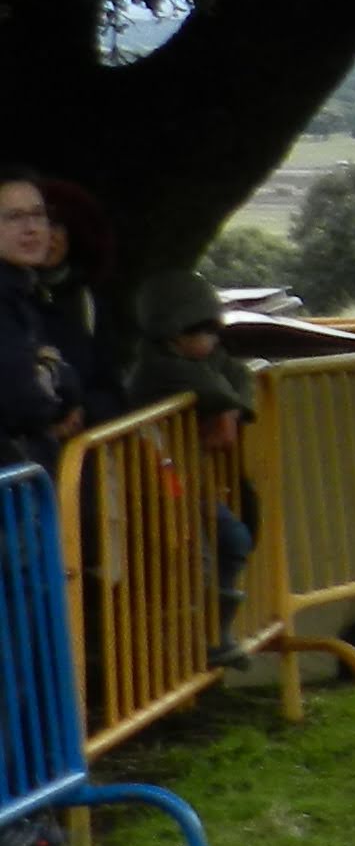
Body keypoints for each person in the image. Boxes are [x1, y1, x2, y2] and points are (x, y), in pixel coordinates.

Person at [124, 273, 258, 661]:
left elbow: (237, 376)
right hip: (156, 481)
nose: (213, 341)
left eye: (214, 331)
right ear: (173, 333)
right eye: (202, 332)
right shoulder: (157, 366)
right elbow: (213, 388)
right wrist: (230, 403)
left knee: (232, 541)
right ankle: (200, 641)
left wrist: (232, 407)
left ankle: (217, 633)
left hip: (186, 480)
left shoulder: (201, 359)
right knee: (196, 556)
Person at [0, 169, 124, 474]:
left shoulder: (28, 296)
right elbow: (23, 394)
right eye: (14, 217)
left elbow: (71, 380)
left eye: (39, 215)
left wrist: (57, 380)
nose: (32, 228)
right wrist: (57, 383)